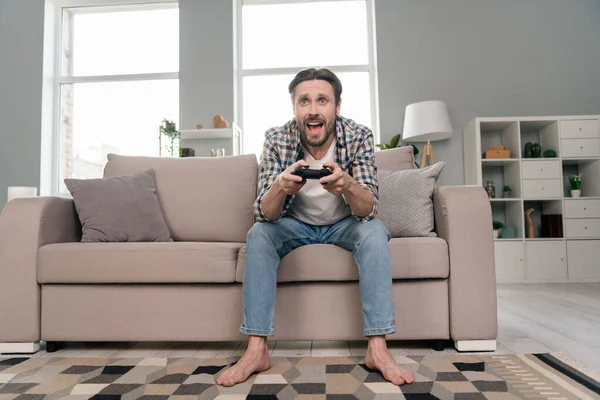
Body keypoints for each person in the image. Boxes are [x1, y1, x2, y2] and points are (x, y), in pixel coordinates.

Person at [217, 68, 415, 387]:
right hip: (294, 224)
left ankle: (377, 349)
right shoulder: (277, 138)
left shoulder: (359, 135)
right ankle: (256, 351)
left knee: (375, 232)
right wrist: (280, 187)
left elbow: (368, 209)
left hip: (345, 224)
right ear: (294, 108)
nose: (312, 109)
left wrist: (348, 184)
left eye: (322, 100)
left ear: (336, 106)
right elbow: (265, 214)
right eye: (304, 101)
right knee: (259, 235)